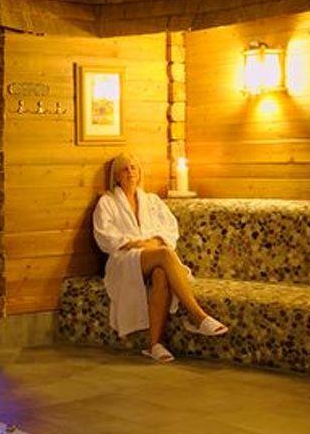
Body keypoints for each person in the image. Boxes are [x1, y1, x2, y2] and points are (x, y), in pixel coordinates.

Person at [91, 150, 228, 362]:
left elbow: (170, 228)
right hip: (123, 259)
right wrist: (136, 243)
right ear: (116, 176)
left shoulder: (152, 201)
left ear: (139, 172)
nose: (130, 172)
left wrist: (154, 242)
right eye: (125, 169)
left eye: (133, 168)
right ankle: (197, 316)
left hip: (153, 254)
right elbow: (104, 236)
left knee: (161, 275)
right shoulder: (107, 202)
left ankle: (155, 345)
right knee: (165, 254)